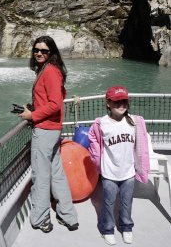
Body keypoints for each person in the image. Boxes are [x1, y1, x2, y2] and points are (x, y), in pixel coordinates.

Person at [19, 35, 78, 233]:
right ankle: (68, 216)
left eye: (44, 50)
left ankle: (41, 218)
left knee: (41, 176)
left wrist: (33, 115)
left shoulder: (50, 71)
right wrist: (36, 106)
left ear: (51, 52)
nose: (39, 53)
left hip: (44, 131)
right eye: (36, 50)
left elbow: (55, 103)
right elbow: (61, 95)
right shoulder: (51, 70)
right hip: (53, 130)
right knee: (57, 174)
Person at [88, 85, 150, 246]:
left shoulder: (135, 122)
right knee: (108, 203)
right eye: (117, 102)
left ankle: (127, 227)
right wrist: (97, 164)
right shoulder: (101, 124)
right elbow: (94, 145)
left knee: (127, 202)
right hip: (109, 173)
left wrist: (141, 166)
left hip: (128, 172)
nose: (121, 105)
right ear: (108, 103)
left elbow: (141, 146)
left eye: (124, 101)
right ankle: (107, 229)